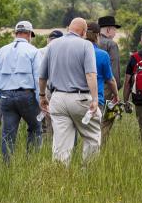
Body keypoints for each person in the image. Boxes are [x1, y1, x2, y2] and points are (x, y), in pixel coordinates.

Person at [39, 18, 99, 166]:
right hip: (80, 97)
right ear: (84, 32)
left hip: (57, 98)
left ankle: (60, 175)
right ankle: (88, 172)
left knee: (61, 143)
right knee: (92, 136)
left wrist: (42, 96)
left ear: (68, 28)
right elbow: (90, 74)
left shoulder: (53, 45)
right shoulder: (86, 45)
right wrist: (95, 99)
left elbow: (42, 76)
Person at [0, 20, 42, 161]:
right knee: (35, 127)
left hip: (5, 95)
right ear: (29, 34)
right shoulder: (34, 51)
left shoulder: (1, 51)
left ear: (16, 33)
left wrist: (1, 96)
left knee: (8, 133)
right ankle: (31, 161)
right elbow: (38, 77)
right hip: (26, 95)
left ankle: (7, 165)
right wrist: (41, 101)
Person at [86, 22, 119, 117]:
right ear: (97, 35)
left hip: (76, 98)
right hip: (97, 98)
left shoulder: (75, 51)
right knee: (95, 130)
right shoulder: (103, 54)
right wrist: (116, 94)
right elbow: (111, 79)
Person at [98, 15, 122, 143]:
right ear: (108, 30)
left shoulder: (88, 43)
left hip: (88, 88)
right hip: (107, 89)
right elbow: (114, 71)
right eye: (114, 29)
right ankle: (99, 151)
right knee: (106, 122)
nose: (115, 32)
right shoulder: (111, 44)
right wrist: (116, 91)